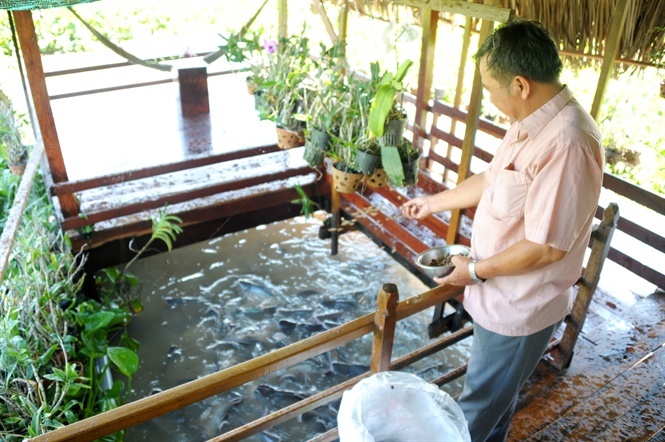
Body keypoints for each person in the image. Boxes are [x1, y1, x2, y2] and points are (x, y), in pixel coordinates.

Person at [401, 19, 604, 441]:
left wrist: (472, 272)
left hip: (520, 306)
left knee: (474, 412)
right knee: (497, 402)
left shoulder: (569, 141)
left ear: (519, 84)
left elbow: (547, 248)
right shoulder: (530, 121)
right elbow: (493, 179)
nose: (491, 99)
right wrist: (432, 202)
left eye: (491, 89)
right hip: (499, 294)